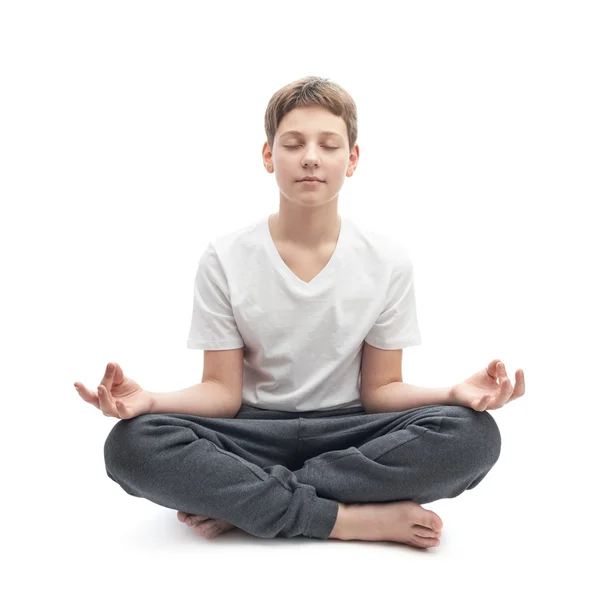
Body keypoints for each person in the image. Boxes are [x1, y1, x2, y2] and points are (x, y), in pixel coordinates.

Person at [74, 76, 525, 549]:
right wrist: (150, 401)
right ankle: (344, 519)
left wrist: (453, 392)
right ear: (269, 156)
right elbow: (221, 393)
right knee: (131, 446)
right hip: (250, 429)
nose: (310, 156)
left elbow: (381, 390)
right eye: (293, 144)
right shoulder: (225, 256)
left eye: (328, 145)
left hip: (352, 430)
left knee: (472, 437)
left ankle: (248, 503)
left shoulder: (387, 260)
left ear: (351, 160)